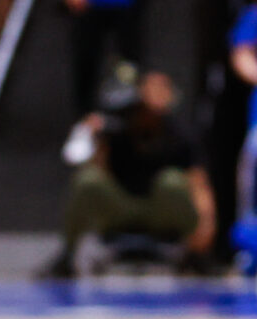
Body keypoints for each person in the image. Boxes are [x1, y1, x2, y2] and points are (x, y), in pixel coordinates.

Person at [48, 70, 216, 277]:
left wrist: (206, 226)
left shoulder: (181, 134)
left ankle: (194, 257)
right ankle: (67, 255)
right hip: (123, 206)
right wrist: (90, 136)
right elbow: (90, 167)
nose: (157, 94)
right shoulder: (117, 127)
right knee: (87, 180)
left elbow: (199, 183)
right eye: (152, 88)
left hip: (160, 211)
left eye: (163, 89)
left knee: (172, 182)